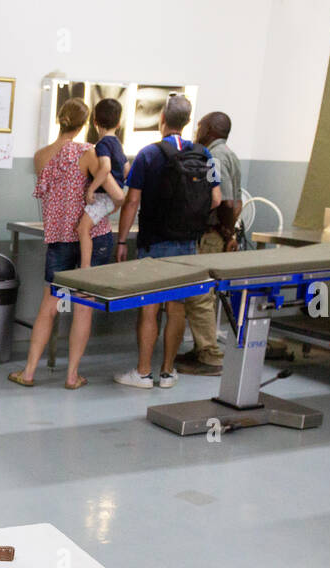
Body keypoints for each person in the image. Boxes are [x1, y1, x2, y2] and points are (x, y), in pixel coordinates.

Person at [113, 94, 220, 389]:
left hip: (154, 242)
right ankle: (168, 372)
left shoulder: (147, 154)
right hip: (188, 246)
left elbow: (132, 201)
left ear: (162, 119)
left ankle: (144, 373)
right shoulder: (205, 155)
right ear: (187, 123)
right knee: (177, 307)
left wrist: (122, 241)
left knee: (150, 307)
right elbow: (216, 198)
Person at [9, 98, 116, 390]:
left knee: (49, 306)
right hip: (90, 239)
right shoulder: (88, 153)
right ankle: (72, 376)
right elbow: (114, 194)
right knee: (84, 307)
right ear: (86, 124)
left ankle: (29, 372)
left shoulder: (40, 156)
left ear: (59, 120)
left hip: (58, 238)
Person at [176, 110, 242, 375]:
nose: (197, 131)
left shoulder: (213, 156)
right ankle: (202, 348)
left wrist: (225, 232)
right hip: (223, 232)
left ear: (211, 129)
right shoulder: (230, 154)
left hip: (212, 233)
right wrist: (232, 233)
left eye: (200, 126)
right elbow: (236, 201)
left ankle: (210, 355)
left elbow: (224, 201)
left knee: (199, 295)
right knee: (206, 295)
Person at [76, 98, 128, 270]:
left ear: (95, 121)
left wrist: (91, 189)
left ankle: (85, 267)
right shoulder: (117, 144)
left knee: (83, 229)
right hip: (111, 198)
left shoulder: (103, 144)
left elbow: (105, 167)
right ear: (119, 123)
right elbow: (127, 168)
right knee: (85, 227)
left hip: (103, 195)